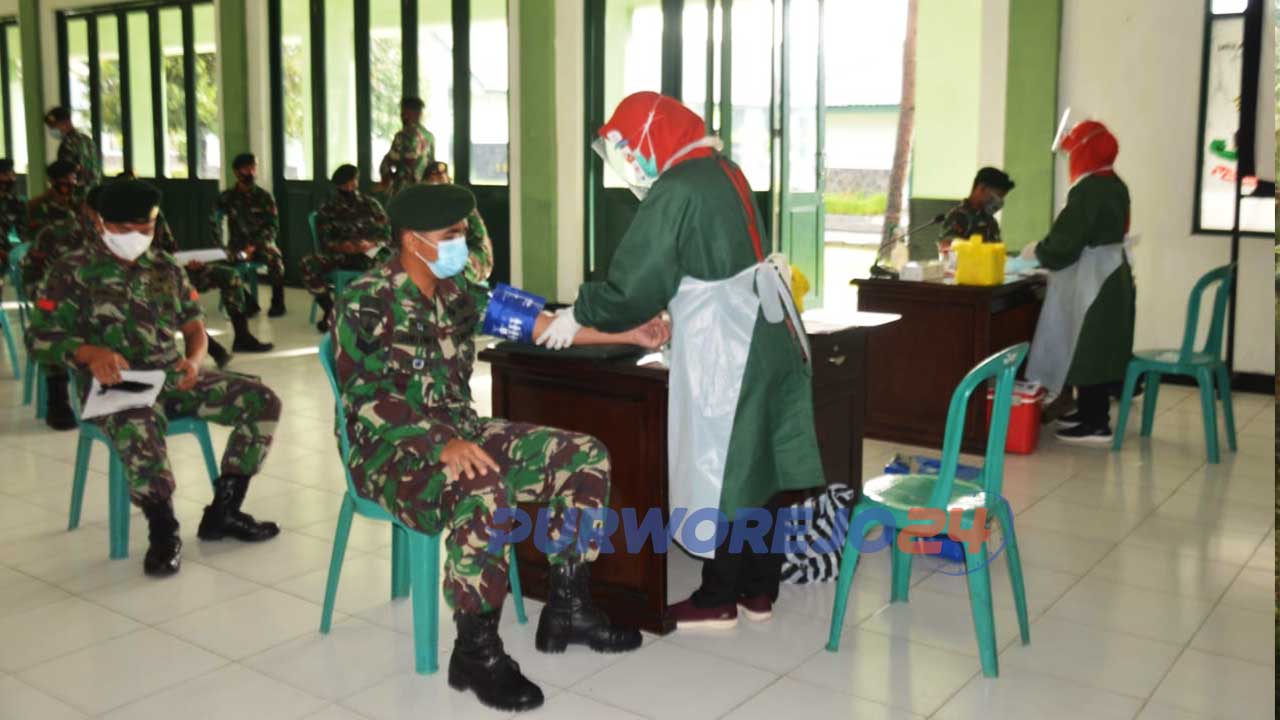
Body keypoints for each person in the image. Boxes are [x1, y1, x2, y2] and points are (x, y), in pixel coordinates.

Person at [334, 183, 664, 712]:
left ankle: (568, 607)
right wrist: (440, 443)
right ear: (412, 240)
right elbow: (363, 398)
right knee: (482, 487)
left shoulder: (457, 291)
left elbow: (546, 327)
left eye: (463, 233)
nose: (461, 244)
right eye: (451, 235)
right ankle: (475, 651)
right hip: (390, 452)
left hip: (462, 432)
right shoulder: (366, 299)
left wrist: (631, 335)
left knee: (584, 456)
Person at [537, 91, 824, 629]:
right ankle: (758, 590)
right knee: (760, 465)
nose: (631, 161)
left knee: (724, 469)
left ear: (653, 135)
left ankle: (718, 597)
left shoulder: (678, 187)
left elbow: (635, 282)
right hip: (766, 329)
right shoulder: (722, 168)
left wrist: (579, 313)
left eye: (629, 147)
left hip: (728, 342)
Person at [28, 179, 282, 577]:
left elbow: (195, 326)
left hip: (171, 376)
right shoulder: (71, 270)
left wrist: (195, 362)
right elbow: (39, 338)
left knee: (262, 400)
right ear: (101, 224)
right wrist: (90, 353)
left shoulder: (163, 266)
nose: (135, 238)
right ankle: (164, 530)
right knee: (141, 423)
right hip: (112, 385)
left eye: (143, 231)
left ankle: (224, 511)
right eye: (123, 230)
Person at [1022, 120, 1133, 444]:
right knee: (1095, 344)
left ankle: (1096, 422)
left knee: (1089, 347)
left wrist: (1039, 252)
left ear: (1084, 152)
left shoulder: (1088, 189)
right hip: (1112, 272)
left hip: (1095, 277)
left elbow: (1066, 241)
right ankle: (1088, 412)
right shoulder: (1115, 184)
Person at [119, 171, 273, 364]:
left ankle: (242, 337)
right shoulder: (112, 224)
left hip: (168, 269)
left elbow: (170, 250)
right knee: (170, 299)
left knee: (230, 275)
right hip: (142, 279)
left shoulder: (155, 215)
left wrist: (189, 263)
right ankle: (215, 351)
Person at [20, 160, 90, 431]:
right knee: (54, 319)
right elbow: (32, 269)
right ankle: (57, 397)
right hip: (50, 288)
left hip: (87, 293)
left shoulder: (108, 233)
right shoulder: (48, 223)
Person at [301, 164, 391, 332]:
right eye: (344, 185)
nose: (349, 187)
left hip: (369, 254)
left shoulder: (371, 205)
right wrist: (342, 246)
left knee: (391, 265)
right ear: (338, 186)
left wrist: (370, 244)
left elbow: (386, 235)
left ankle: (377, 317)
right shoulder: (328, 208)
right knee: (308, 264)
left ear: (357, 182)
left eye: (352, 182)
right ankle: (331, 311)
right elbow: (325, 239)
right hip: (341, 255)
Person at [211, 153, 288, 317]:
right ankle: (248, 302)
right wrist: (220, 247)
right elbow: (214, 223)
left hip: (260, 245)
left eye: (253, 168)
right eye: (247, 169)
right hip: (237, 246)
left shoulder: (265, 197)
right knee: (220, 265)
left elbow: (273, 227)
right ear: (237, 173)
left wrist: (254, 246)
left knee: (275, 258)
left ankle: (278, 304)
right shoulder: (227, 197)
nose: (251, 172)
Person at [921, 166, 1016, 261]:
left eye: (1002, 198)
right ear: (981, 188)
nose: (999, 202)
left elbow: (997, 250)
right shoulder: (959, 216)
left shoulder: (991, 221)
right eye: (997, 196)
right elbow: (947, 247)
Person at [423, 160, 493, 282]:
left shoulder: (462, 206)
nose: (440, 190)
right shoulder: (421, 206)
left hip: (472, 255)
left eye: (444, 185)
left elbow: (479, 240)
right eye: (434, 185)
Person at [375, 97, 434, 199]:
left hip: (403, 191)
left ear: (407, 113)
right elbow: (432, 164)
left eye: (403, 112)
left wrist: (386, 179)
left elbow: (390, 161)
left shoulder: (402, 136)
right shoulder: (429, 136)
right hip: (424, 191)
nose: (402, 115)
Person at [45, 106, 100, 206]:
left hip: (76, 197)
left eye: (54, 126)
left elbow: (64, 175)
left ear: (66, 123)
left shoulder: (67, 144)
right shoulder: (87, 140)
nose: (52, 130)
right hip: (94, 196)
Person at [0, 158, 26, 298]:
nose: (12, 178)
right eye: (7, 174)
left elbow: (24, 231)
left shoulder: (14, 203)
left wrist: (21, 253)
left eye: (12, 174)